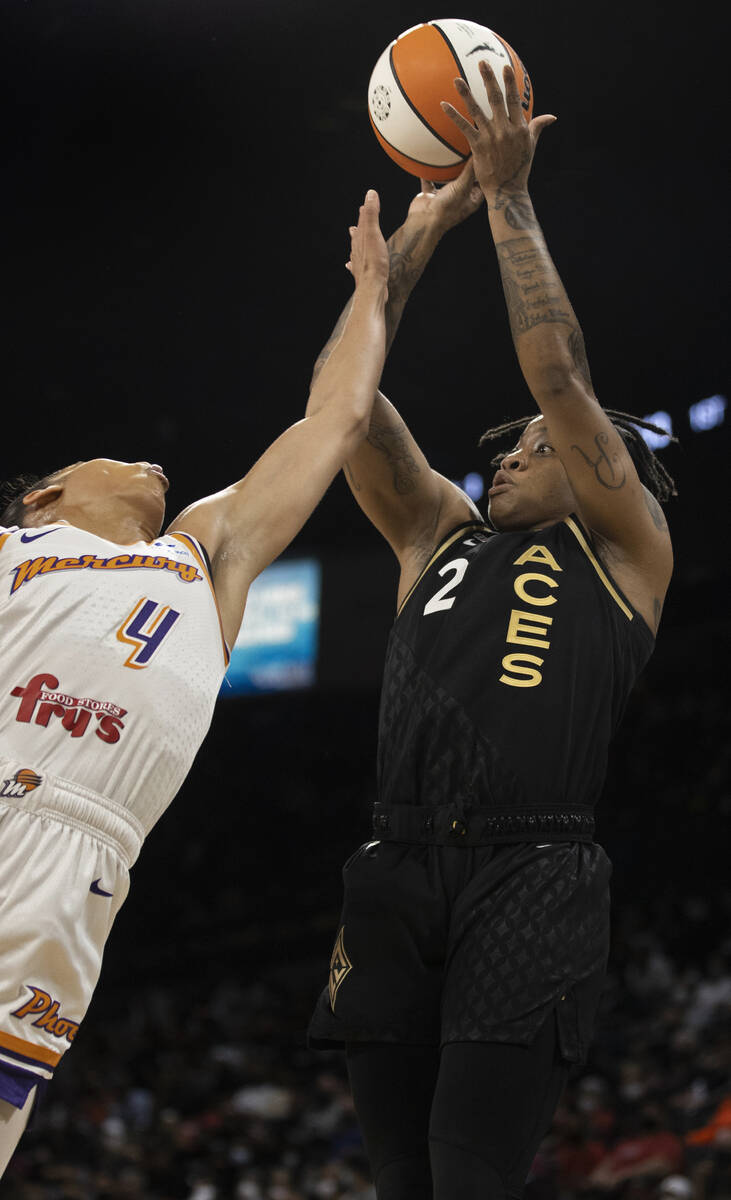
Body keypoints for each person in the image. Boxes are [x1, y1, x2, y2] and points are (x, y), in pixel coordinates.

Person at [306, 62, 676, 1200]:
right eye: (501, 446)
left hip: (534, 865)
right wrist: (413, 243)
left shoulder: (624, 546)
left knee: (471, 1177)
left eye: (534, 445)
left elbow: (556, 371)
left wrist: (510, 199)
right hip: (395, 858)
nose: (506, 453)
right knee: (397, 1180)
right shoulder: (437, 531)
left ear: (602, 466)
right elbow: (342, 410)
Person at [0, 190, 389, 1173]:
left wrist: (382, 277)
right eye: (112, 456)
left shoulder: (206, 559)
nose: (153, 462)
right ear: (46, 495)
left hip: (80, 870)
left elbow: (335, 418)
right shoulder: (12, 552)